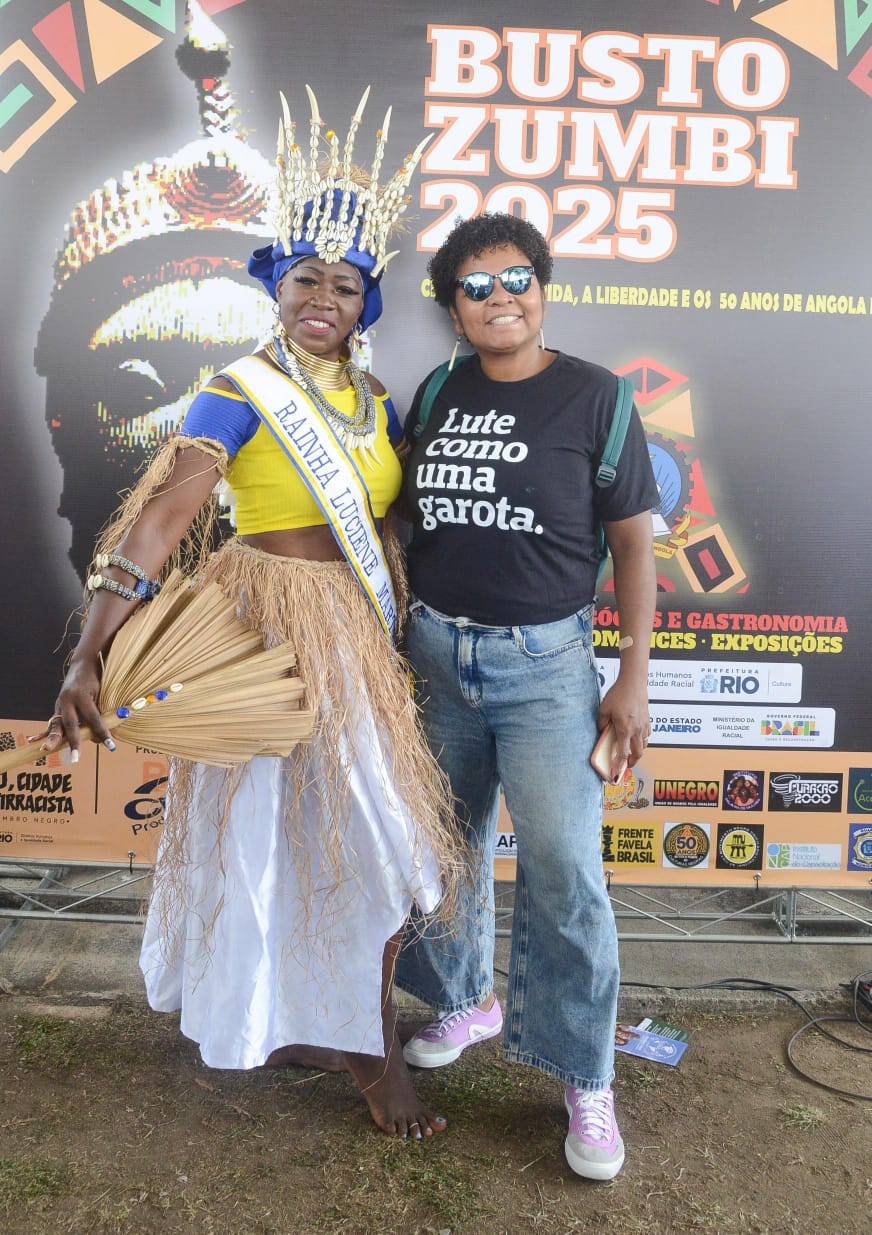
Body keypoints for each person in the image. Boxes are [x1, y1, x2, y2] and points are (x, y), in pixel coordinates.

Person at [37, 87, 462, 1140]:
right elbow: (160, 519)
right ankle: (330, 1034)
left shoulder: (378, 404)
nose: (323, 296)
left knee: (377, 845)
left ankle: (351, 1026)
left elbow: (391, 527)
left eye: (344, 284)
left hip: (351, 638)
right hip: (260, 632)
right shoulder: (236, 389)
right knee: (261, 838)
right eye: (305, 277)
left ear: (365, 304)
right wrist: (89, 652)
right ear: (277, 286)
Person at [394, 213, 659, 1179]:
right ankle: (466, 999)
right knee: (445, 841)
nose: (499, 297)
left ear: (542, 287)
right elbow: (404, 515)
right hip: (435, 652)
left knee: (565, 868)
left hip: (545, 667)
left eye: (516, 278)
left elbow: (632, 542)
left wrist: (632, 675)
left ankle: (584, 1072)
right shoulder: (437, 390)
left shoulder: (598, 397)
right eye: (476, 286)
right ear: (453, 309)